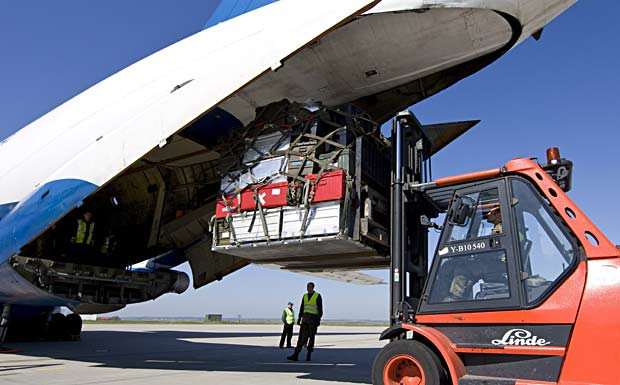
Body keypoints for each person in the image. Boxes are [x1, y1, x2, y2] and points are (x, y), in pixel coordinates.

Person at [287, 282, 323, 362]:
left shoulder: (317, 296)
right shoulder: (305, 296)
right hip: (305, 319)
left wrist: (318, 319)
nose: (308, 288)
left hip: (313, 319)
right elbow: (302, 307)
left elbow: (320, 308)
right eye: (307, 286)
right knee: (301, 337)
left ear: (313, 287)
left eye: (309, 286)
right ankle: (296, 354)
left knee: (311, 337)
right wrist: (299, 318)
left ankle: (309, 354)